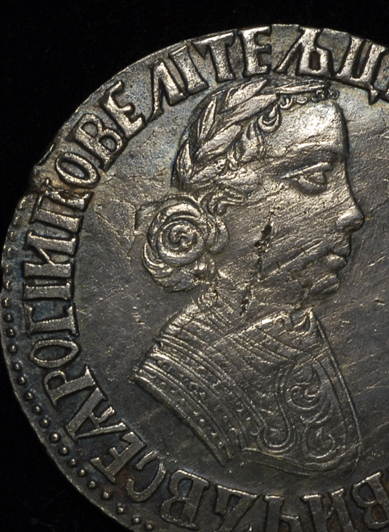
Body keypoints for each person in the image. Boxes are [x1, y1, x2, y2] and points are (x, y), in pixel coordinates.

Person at [132, 76, 365, 475]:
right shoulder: (183, 373)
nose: (352, 212)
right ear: (218, 205)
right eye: (314, 177)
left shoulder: (294, 333)